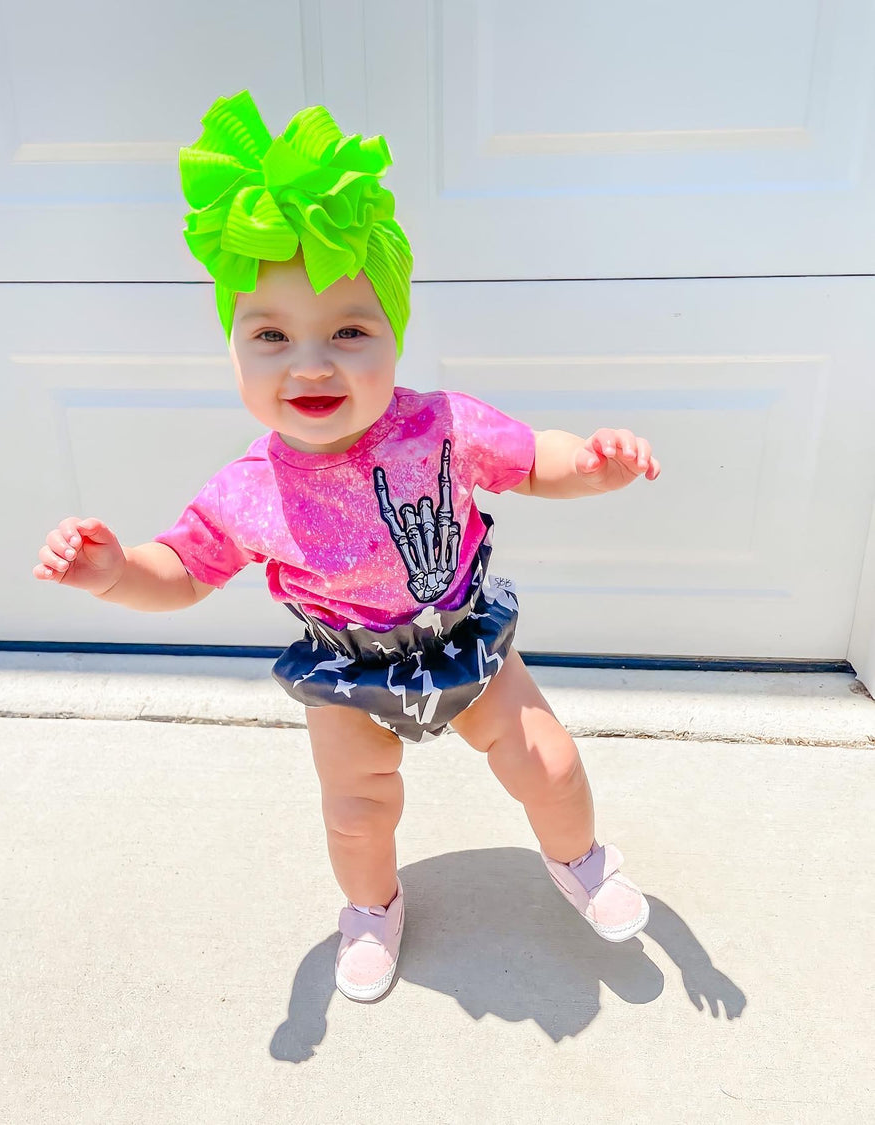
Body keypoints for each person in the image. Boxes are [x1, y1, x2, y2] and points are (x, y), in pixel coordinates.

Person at [33, 91, 662, 1003]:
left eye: (349, 331)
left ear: (395, 334)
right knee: (358, 811)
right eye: (271, 335)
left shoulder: (442, 425)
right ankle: (371, 909)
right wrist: (117, 570)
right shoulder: (251, 487)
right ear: (235, 352)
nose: (311, 362)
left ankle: (583, 861)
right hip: (345, 666)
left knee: (549, 761)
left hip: (460, 638)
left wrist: (592, 465)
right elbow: (183, 569)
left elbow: (534, 459)